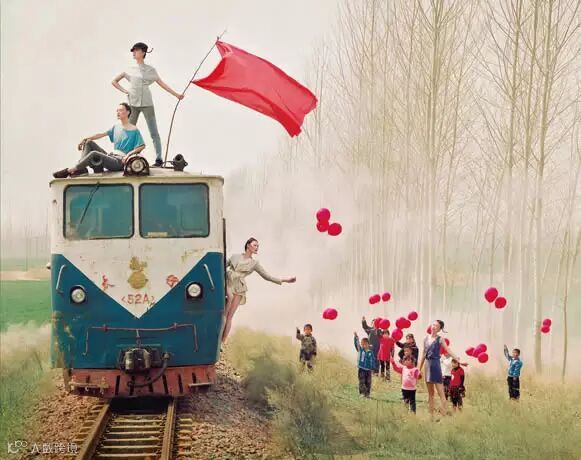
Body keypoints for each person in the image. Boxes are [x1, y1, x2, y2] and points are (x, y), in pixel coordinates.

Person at [112, 42, 184, 167]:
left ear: (143, 52)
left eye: (136, 50)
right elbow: (114, 81)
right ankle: (124, 157)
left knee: (153, 132)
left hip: (147, 104)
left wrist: (176, 94)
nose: (134, 53)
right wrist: (125, 91)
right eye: (133, 51)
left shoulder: (151, 70)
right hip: (132, 105)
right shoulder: (128, 69)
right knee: (129, 132)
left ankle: (159, 159)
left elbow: (161, 83)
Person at [222, 238, 296, 343]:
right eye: (255, 245)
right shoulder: (235, 256)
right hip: (227, 282)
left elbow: (267, 276)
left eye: (258, 246)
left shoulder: (254, 263)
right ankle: (217, 339)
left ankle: (223, 341)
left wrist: (285, 280)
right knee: (226, 309)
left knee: (229, 316)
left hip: (239, 287)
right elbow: (221, 266)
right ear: (248, 245)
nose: (257, 247)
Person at [53, 103, 145, 178]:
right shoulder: (116, 127)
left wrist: (128, 155)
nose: (118, 112)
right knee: (89, 143)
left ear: (128, 112)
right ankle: (81, 168)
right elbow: (101, 134)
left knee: (94, 154)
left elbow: (142, 145)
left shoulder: (134, 130)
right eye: (117, 110)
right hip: (111, 156)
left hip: (119, 162)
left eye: (120, 110)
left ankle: (69, 170)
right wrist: (85, 139)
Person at [418, 320, 468, 416]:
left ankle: (444, 414)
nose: (434, 327)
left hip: (436, 365)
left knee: (441, 393)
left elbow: (448, 350)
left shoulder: (440, 339)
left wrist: (459, 361)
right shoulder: (425, 338)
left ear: (439, 329)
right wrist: (419, 369)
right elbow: (423, 354)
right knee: (430, 394)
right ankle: (431, 416)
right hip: (427, 365)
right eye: (433, 324)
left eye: (436, 326)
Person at [354, 332, 376, 398]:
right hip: (361, 369)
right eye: (362, 344)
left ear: (368, 344)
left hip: (368, 370)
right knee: (362, 381)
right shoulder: (361, 350)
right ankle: (363, 393)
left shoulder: (370, 352)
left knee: (368, 382)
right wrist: (356, 337)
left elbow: (372, 360)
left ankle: (367, 394)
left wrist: (373, 368)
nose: (364, 345)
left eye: (365, 344)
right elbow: (357, 344)